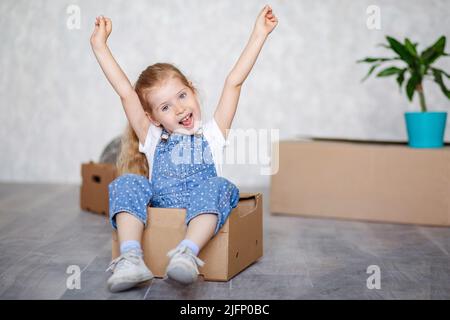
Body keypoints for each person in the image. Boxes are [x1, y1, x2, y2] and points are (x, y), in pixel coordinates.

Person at [90, 5, 278, 292]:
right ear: (153, 118)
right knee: (128, 182)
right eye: (165, 107)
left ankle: (187, 253)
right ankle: (131, 257)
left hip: (202, 216)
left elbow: (234, 82)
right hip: (160, 214)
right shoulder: (152, 138)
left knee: (220, 185)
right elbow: (126, 92)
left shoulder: (213, 134)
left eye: (182, 95)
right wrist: (100, 46)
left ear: (192, 89)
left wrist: (259, 34)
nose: (179, 109)